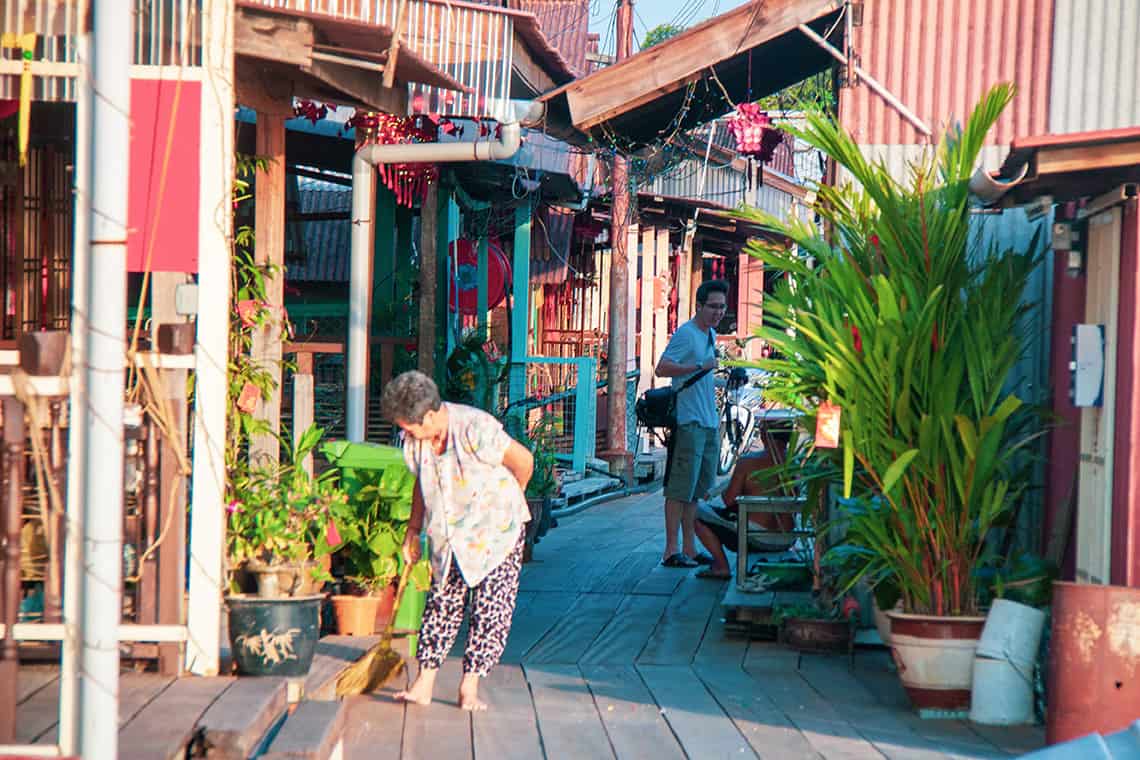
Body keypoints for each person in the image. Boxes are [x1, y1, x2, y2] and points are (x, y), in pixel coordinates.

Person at [382, 370, 534, 711]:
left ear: (432, 414)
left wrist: (509, 502)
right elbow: (421, 483)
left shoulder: (475, 427)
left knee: (490, 607)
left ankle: (469, 686)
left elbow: (524, 462)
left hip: (496, 532)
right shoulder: (415, 441)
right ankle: (424, 682)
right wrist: (412, 531)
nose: (406, 432)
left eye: (410, 425)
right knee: (442, 601)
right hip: (447, 532)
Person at [654, 279, 729, 568]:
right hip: (689, 421)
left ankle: (690, 547)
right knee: (679, 488)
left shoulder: (709, 334)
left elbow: (704, 378)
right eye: (713, 306)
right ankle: (671, 550)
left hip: (708, 420)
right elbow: (662, 368)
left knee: (697, 490)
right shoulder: (686, 334)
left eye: (722, 307)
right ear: (699, 305)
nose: (718, 312)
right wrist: (699, 367)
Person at [693, 426, 796, 580]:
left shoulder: (747, 462)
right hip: (788, 539)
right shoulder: (798, 462)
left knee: (697, 511)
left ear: (764, 434)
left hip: (755, 538)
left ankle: (722, 566)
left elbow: (728, 500)